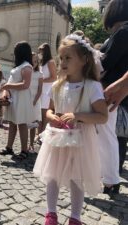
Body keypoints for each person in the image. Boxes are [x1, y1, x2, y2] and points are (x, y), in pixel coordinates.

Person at [33, 34, 108, 225]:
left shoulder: (92, 87)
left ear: (83, 60)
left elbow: (102, 116)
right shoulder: (58, 86)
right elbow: (49, 109)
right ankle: (51, 214)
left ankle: (75, 217)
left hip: (81, 140)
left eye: (68, 57)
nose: (63, 62)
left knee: (77, 178)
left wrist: (78, 116)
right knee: (52, 176)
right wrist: (51, 117)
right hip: (58, 138)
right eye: (61, 58)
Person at [99, 0, 128, 193]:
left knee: (109, 137)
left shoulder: (123, 33)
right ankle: (111, 177)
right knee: (113, 138)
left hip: (112, 93)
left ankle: (110, 178)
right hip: (117, 93)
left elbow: (106, 62)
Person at [0, 41, 34, 159]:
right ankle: (9, 147)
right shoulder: (18, 66)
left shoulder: (26, 66)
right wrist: (6, 92)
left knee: (22, 124)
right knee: (12, 123)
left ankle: (24, 150)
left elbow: (25, 85)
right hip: (14, 97)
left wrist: (8, 87)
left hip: (22, 99)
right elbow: (10, 81)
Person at [37, 43, 57, 144]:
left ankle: (43, 134)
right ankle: (39, 134)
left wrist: (41, 81)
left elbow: (54, 77)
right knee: (39, 114)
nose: (39, 53)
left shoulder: (50, 62)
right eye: (39, 50)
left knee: (45, 114)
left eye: (41, 51)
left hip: (47, 91)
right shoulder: (41, 63)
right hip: (40, 91)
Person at [28, 52, 43, 153]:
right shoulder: (26, 72)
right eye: (33, 61)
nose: (35, 63)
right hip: (26, 100)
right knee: (24, 123)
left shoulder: (39, 74)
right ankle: (24, 145)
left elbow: (40, 89)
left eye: (36, 61)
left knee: (33, 124)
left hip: (35, 101)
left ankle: (31, 144)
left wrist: (34, 100)